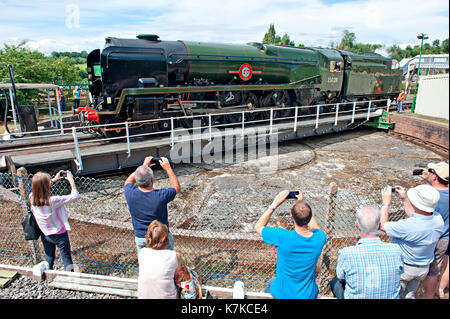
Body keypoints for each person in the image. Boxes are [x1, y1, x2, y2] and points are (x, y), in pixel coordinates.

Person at [254, 190, 326, 299]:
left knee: (271, 282)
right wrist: (301, 203)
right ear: (310, 217)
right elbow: (316, 227)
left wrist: (275, 203)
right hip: (307, 295)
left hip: (283, 295)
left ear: (292, 218)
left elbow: (258, 226)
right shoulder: (319, 238)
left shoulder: (282, 237)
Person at [380, 184, 444, 299]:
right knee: (409, 295)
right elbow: (416, 215)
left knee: (394, 295)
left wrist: (386, 203)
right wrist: (404, 199)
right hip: (422, 268)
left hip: (404, 268)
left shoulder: (407, 226)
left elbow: (382, 225)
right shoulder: (438, 220)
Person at [330, 206, 404, 299]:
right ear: (379, 225)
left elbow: (341, 276)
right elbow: (401, 271)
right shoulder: (396, 250)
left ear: (357, 225)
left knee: (334, 282)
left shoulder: (346, 253)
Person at [124, 156, 180, 254]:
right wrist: (168, 168)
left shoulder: (129, 193)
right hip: (161, 238)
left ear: (137, 180)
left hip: (141, 237)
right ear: (152, 180)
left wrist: (144, 166)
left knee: (145, 264)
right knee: (167, 263)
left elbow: (128, 181)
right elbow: (176, 187)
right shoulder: (161, 196)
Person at [29, 170, 79, 271]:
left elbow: (39, 186)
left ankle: (48, 273)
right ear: (46, 187)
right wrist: (71, 180)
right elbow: (75, 196)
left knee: (49, 257)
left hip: (45, 234)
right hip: (59, 234)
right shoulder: (53, 201)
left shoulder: (31, 198)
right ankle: (71, 276)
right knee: (66, 258)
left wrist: (55, 179)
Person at [418, 162, 449, 299]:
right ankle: (432, 294)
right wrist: (430, 179)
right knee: (434, 271)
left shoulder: (429, 196)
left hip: (427, 237)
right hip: (444, 239)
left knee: (416, 267)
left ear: (435, 177)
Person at [137, 220, 181, 299]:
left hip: (143, 297)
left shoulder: (142, 253)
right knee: (179, 282)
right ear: (167, 239)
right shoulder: (174, 256)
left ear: (149, 237)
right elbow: (178, 277)